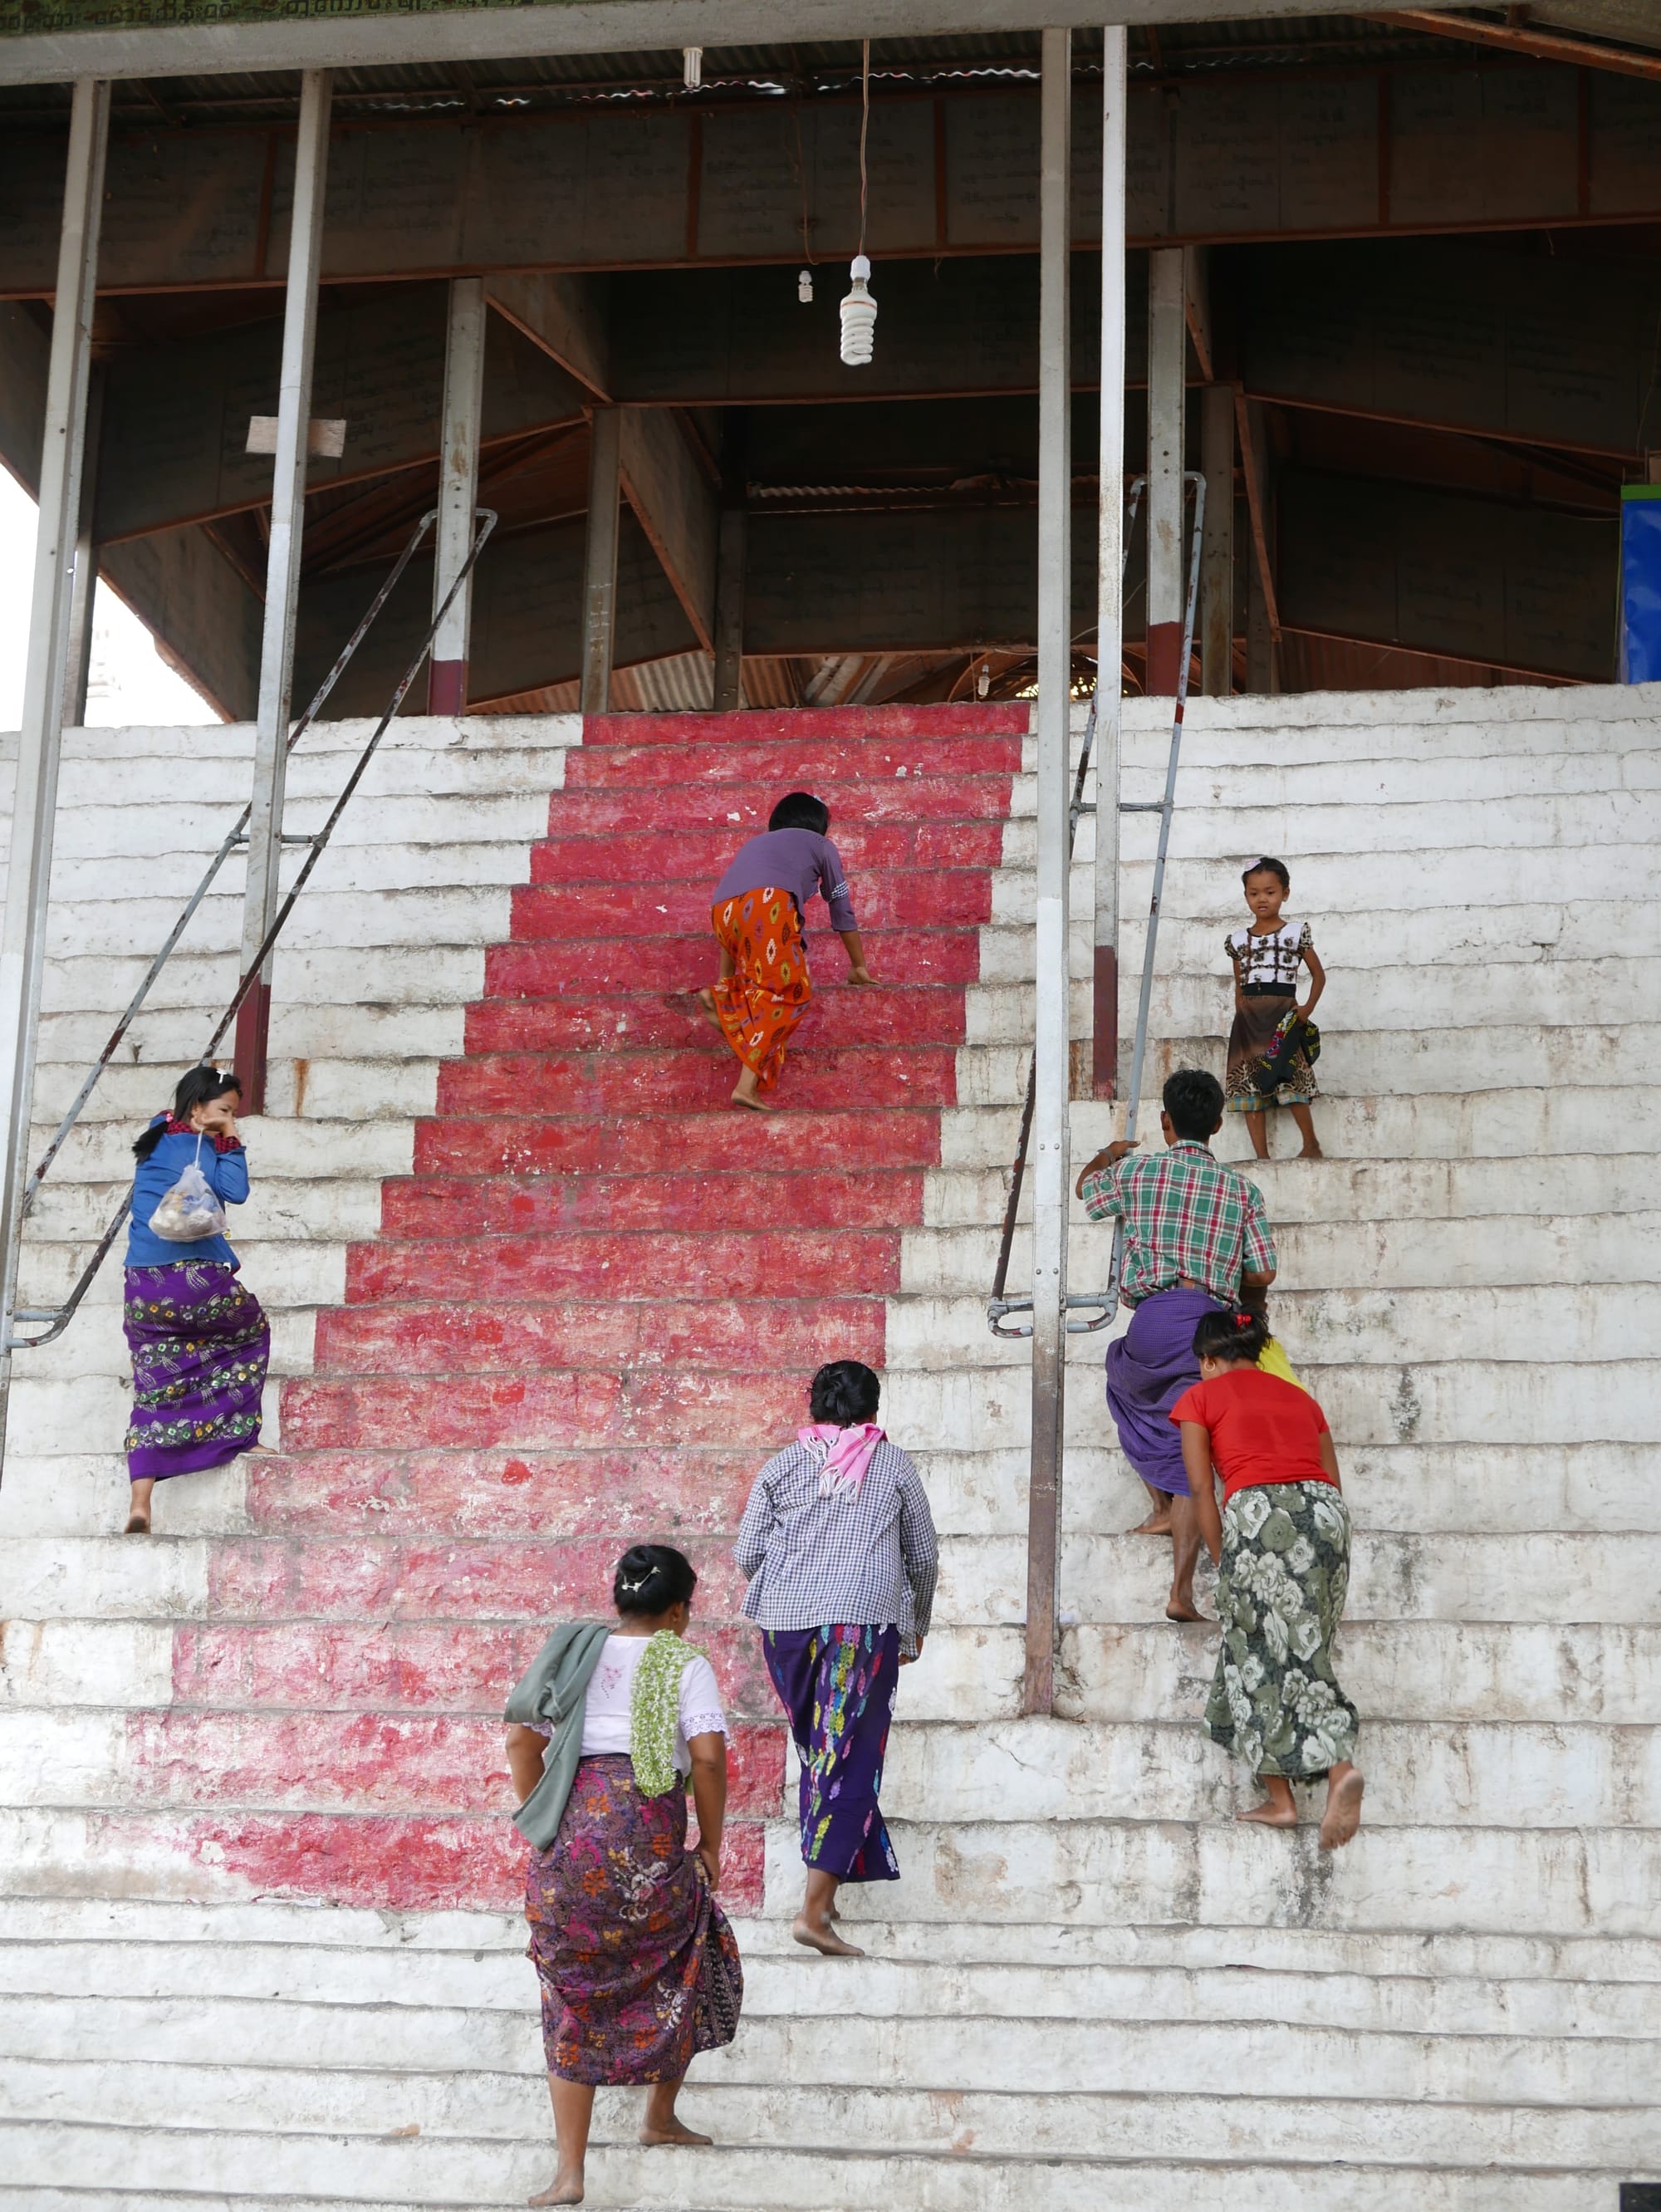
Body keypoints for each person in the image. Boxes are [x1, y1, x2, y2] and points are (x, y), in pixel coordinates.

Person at [504, 1543, 742, 2210]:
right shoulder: (679, 1660)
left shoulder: (577, 1653)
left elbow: (522, 1736)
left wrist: (543, 1816)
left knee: (571, 1996)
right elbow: (709, 1761)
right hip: (648, 1842)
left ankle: (570, 2175)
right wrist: (711, 1844)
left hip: (568, 1846)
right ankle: (659, 2115)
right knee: (700, 1954)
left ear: (619, 1600)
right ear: (676, 1611)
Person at [734, 1358, 937, 1959]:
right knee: (848, 1760)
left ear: (813, 1408)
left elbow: (748, 1552)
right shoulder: (892, 1463)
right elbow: (923, 1558)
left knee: (821, 1752)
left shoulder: (782, 1465)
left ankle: (827, 1886)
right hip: (859, 1627)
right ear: (874, 1410)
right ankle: (814, 1912)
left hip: (786, 1629)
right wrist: (915, 1624)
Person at [1075, 1067, 1276, 1622]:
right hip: (1211, 1326)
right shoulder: (1242, 1189)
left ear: (1166, 1122)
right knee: (1196, 1449)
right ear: (1217, 1124)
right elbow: (1264, 1271)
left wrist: (1108, 1153)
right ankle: (1181, 1590)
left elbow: (1086, 1196)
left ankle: (1160, 1506)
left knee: (1124, 1381)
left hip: (1152, 1319)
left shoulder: (1137, 1171)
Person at [1172, 1307, 1364, 1850]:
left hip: (1260, 1513)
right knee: (1284, 1649)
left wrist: (1221, 1556)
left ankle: (1331, 1772)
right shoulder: (1302, 1399)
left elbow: (1201, 1490)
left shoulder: (1200, 1397)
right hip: (1325, 1519)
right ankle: (1289, 1794)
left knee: (1267, 1653)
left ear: (1209, 1358)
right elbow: (1334, 1481)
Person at [121, 1064, 269, 1536]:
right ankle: (238, 1435)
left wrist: (209, 1118)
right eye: (226, 1109)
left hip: (143, 1286)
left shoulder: (156, 1134)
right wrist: (230, 1137)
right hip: (195, 1282)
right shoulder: (204, 1147)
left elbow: (169, 1122)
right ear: (201, 1107)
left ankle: (140, 1503)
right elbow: (237, 1193)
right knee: (249, 1333)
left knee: (154, 1385)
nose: (230, 1117)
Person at [696, 791, 875, 1111]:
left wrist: (724, 982)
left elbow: (739, 919)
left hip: (721, 911)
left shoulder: (755, 846)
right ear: (819, 824)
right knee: (791, 993)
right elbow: (840, 904)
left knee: (763, 991)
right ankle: (745, 1087)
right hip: (768, 903)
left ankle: (723, 1000)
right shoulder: (821, 846)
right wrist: (858, 966)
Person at [1224, 856, 1325, 1160]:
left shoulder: (1295, 934)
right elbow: (1239, 983)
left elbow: (1319, 975)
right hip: (1248, 1021)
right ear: (1246, 897)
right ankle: (1261, 1157)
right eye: (1254, 894)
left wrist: (1306, 1009)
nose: (1262, 899)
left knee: (1290, 1075)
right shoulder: (1238, 941)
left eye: (1269, 892)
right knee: (1250, 1082)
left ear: (1285, 893)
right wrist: (1241, 1011)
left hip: (1283, 1017)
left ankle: (1311, 1144)